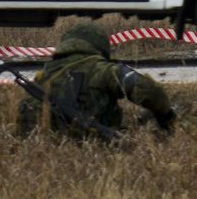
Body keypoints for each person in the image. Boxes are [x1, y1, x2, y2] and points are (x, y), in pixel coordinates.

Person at [14, 23, 176, 139]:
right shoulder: (102, 70)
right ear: (100, 46)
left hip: (45, 151)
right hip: (95, 145)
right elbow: (148, 90)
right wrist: (166, 118)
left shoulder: (43, 75)